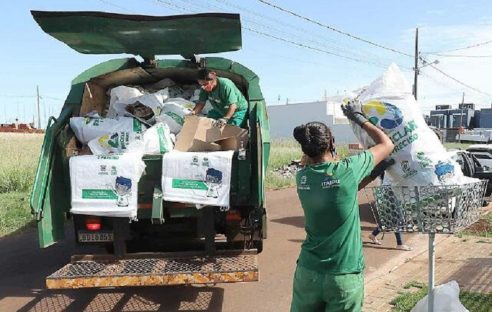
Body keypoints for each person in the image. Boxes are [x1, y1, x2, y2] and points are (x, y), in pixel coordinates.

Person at [290, 101, 394, 312]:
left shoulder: (302, 177)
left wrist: (371, 175)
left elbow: (339, 192)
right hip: (343, 276)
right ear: (331, 143)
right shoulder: (347, 170)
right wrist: (359, 118)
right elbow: (386, 144)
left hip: (308, 273)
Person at [359, 159, 413, 251]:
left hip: (390, 190)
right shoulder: (393, 162)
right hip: (391, 191)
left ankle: (373, 235)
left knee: (389, 218)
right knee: (397, 217)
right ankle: (400, 244)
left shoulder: (392, 162)